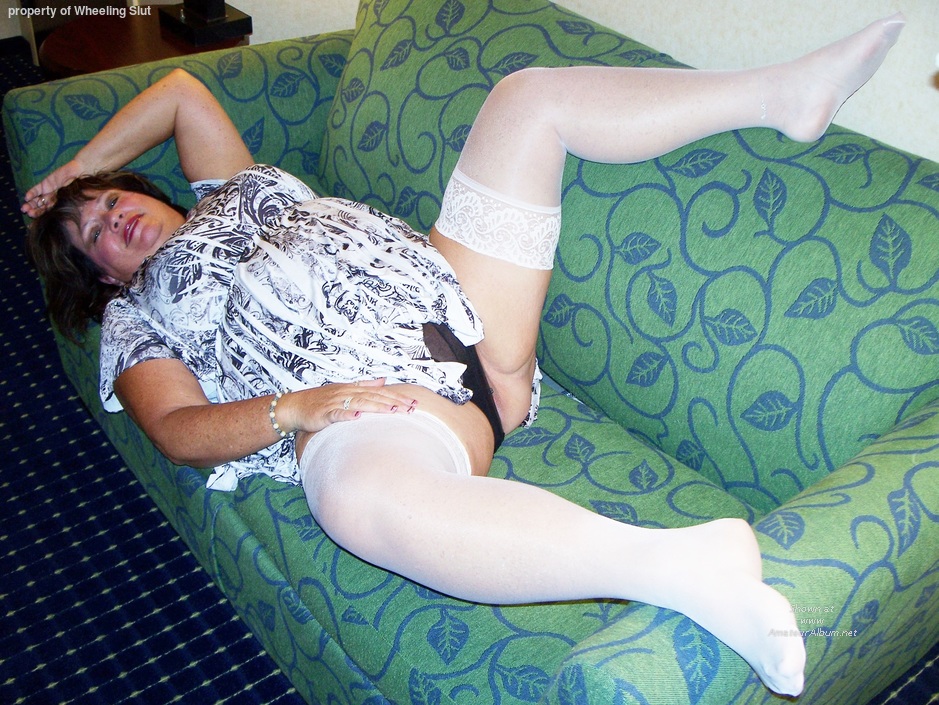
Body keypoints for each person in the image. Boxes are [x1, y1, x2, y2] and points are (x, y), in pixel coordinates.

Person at [23, 13, 907, 696]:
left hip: (456, 298)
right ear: (101, 278)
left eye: (109, 201)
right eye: (92, 236)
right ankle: (679, 566)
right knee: (352, 499)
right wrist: (295, 409)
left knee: (526, 100)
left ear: (141, 185)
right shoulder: (139, 312)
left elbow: (181, 91)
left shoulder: (232, 188)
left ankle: (781, 94)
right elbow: (176, 427)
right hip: (382, 400)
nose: (109, 220)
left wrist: (69, 177)